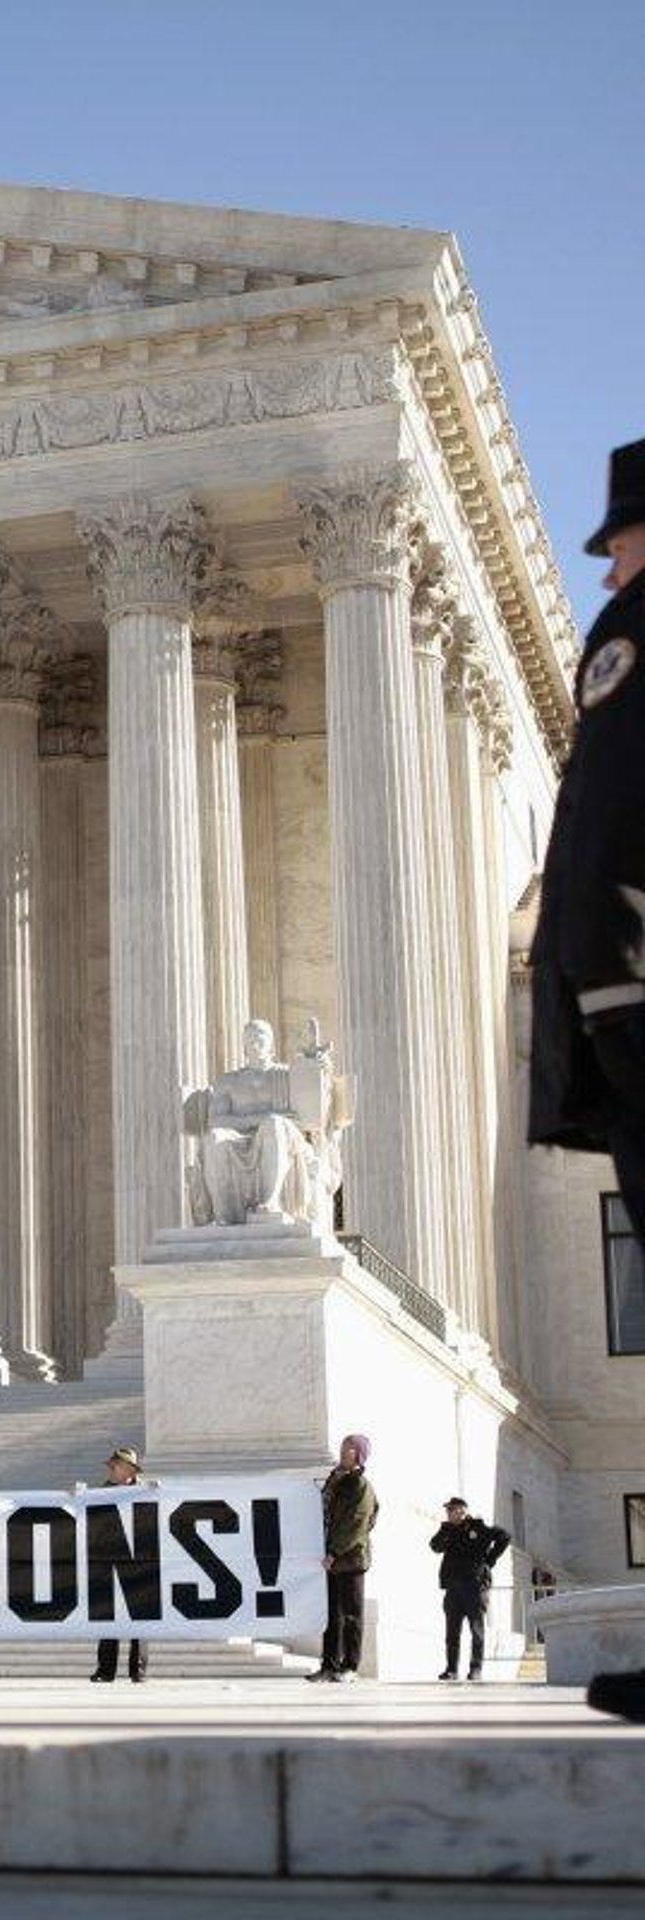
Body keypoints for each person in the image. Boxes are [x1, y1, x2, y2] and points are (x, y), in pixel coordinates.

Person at [531, 440, 645, 1726]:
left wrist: (606, 991)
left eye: (619, 540)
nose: (608, 568)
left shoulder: (634, 640)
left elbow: (608, 816)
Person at [309, 1434, 379, 1683]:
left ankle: (350, 1666)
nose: (343, 1451)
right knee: (332, 1616)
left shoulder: (361, 1485)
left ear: (359, 1454)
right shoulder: (335, 1480)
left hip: (350, 1559)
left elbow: (356, 1523)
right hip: (332, 1558)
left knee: (352, 1615)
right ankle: (329, 1665)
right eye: (343, 1446)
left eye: (349, 1447)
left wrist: (335, 1552)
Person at [430, 1496, 511, 1683]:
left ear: (462, 1510)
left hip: (474, 1586)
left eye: (452, 1510)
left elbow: (504, 1537)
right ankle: (451, 1669)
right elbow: (434, 1546)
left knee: (476, 1629)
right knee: (452, 1631)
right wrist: (445, 1529)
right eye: (448, 1510)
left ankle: (475, 1669)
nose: (449, 1513)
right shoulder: (448, 1530)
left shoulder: (478, 1527)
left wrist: (489, 1561)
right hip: (453, 1587)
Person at [92, 1446, 150, 1685]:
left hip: (139, 1560)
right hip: (109, 1558)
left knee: (142, 1617)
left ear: (129, 1469)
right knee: (108, 1616)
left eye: (116, 1465)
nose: (112, 1469)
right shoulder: (101, 1492)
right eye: (112, 1465)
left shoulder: (147, 1492)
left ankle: (138, 1670)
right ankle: (106, 1670)